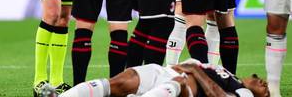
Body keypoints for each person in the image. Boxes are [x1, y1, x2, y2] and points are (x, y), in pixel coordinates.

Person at [47, 59, 269, 97]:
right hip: (166, 72)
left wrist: (195, 70)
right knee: (121, 82)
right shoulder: (230, 75)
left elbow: (217, 95)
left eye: (266, 90)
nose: (263, 82)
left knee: (180, 84)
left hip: (184, 88)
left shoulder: (243, 93)